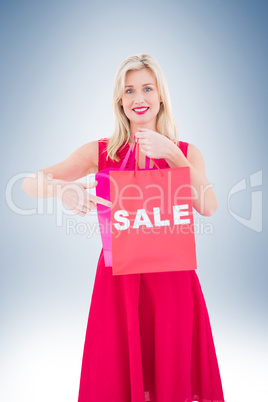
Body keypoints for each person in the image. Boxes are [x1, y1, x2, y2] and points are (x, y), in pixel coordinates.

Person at [22, 53, 225, 402]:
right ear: (120, 100)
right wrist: (62, 189)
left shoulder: (187, 152)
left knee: (170, 371)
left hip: (172, 281)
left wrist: (173, 155)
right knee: (119, 371)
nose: (139, 98)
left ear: (161, 95)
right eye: (129, 91)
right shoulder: (102, 151)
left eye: (147, 88)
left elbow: (208, 206)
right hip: (119, 281)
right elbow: (29, 183)